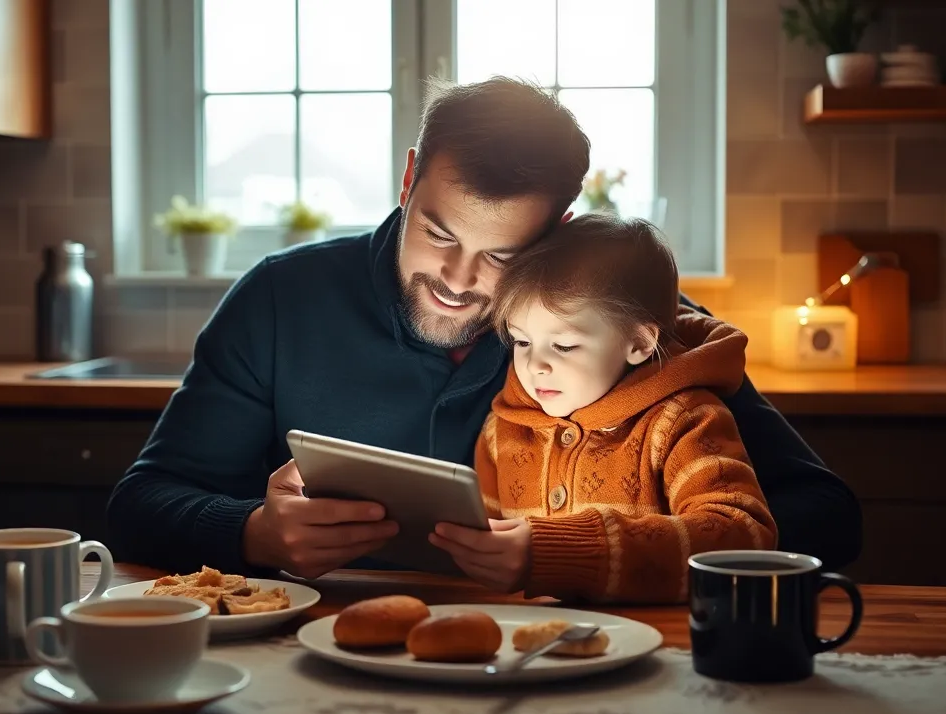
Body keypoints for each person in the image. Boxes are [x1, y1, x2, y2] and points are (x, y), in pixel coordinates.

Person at [106, 76, 861, 582]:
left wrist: (598, 547)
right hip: (321, 659)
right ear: (408, 178)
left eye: (502, 255)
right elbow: (139, 506)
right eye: (437, 232)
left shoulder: (608, 320)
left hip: (565, 662)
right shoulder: (279, 299)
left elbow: (823, 516)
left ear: (557, 228)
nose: (458, 279)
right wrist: (254, 532)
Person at [429, 212, 775, 603]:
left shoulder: (685, 421)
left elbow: (744, 536)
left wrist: (564, 553)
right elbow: (484, 558)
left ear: (639, 343)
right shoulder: (501, 431)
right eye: (522, 342)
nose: (535, 364)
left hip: (658, 636)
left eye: (563, 346)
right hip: (530, 636)